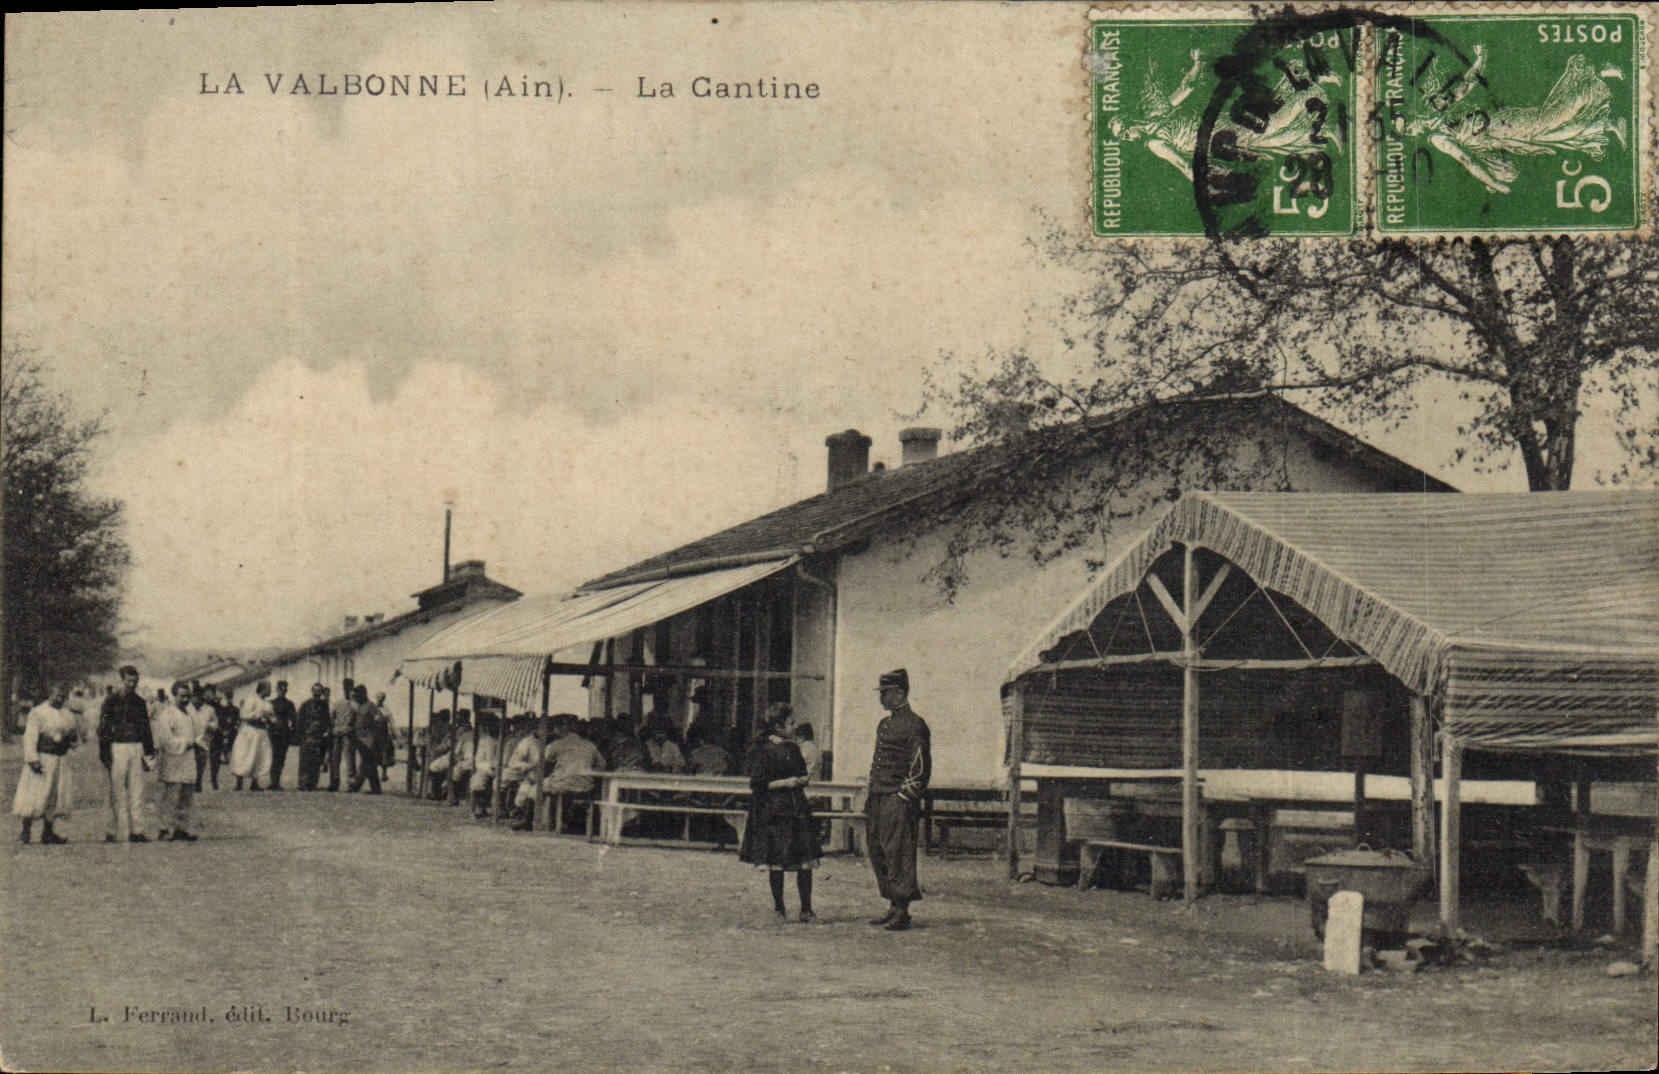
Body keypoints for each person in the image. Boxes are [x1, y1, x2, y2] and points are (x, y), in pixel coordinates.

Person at [739, 702, 822, 922]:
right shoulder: (763, 752)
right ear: (778, 726)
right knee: (776, 861)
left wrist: (801, 780)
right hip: (775, 811)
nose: (794, 727)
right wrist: (787, 782)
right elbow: (757, 785)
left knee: (805, 861)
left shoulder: (793, 749)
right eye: (791, 723)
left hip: (797, 810)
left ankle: (806, 908)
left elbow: (802, 773)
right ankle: (779, 908)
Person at [865, 668, 931, 932]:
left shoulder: (915, 724)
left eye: (886, 693)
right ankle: (893, 904)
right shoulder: (885, 723)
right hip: (878, 796)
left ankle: (903, 910)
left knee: (898, 852)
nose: (882, 698)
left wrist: (905, 795)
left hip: (896, 798)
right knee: (878, 848)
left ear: (901, 693)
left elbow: (920, 765)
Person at [13, 684, 81, 845]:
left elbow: (74, 742)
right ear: (50, 694)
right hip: (43, 758)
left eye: (62, 697)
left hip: (59, 759)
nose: (59, 699)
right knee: (34, 794)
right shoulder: (38, 712)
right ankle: (25, 831)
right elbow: (30, 737)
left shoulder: (68, 715)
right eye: (56, 696)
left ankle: (48, 832)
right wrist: (32, 759)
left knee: (54, 794)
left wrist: (71, 738)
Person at [99, 664, 156, 843]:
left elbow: (146, 728)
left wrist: (149, 751)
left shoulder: (139, 702)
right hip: (117, 747)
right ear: (122, 680)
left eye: (135, 681)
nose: (132, 684)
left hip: (136, 747)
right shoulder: (111, 701)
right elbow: (103, 728)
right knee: (115, 791)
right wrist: (105, 753)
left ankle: (137, 831)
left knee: (137, 790)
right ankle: (111, 831)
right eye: (129, 681)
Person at [540, 715, 606, 833]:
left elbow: (542, 762)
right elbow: (602, 765)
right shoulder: (589, 745)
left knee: (539, 786)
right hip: (585, 784)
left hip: (561, 784)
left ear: (558, 729)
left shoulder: (556, 744)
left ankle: (547, 822)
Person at [153, 681, 201, 841]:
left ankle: (181, 828)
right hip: (173, 759)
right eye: (182, 696)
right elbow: (166, 740)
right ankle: (165, 828)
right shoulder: (167, 714)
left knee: (186, 796)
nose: (185, 700)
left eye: (188, 696)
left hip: (187, 760)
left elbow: (197, 733)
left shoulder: (190, 714)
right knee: (171, 796)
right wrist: (187, 743)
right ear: (174, 696)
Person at [229, 681, 275, 791]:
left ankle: (255, 782)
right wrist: (258, 715)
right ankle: (239, 782)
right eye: (269, 688)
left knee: (260, 756)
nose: (270, 691)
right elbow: (243, 715)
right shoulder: (251, 700)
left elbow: (272, 718)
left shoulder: (268, 704)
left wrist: (271, 720)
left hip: (262, 732)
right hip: (250, 731)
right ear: (263, 689)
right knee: (244, 754)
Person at [346, 685, 383, 794]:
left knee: (366, 763)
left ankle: (356, 786)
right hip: (359, 739)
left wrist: (375, 738)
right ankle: (375, 789)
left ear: (363, 694)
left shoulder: (371, 706)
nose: (355, 697)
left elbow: (379, 721)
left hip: (369, 739)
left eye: (357, 695)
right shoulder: (359, 706)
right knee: (369, 764)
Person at [295, 684, 331, 791]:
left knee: (316, 761)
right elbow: (299, 720)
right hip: (307, 736)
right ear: (312, 691)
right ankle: (303, 783)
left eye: (319, 691)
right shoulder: (306, 704)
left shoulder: (324, 705)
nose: (317, 693)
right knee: (305, 760)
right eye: (315, 690)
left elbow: (327, 719)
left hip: (319, 736)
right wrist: (302, 734)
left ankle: (312, 783)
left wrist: (326, 731)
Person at [328, 677, 357, 791]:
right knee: (335, 759)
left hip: (349, 735)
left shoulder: (355, 705)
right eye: (345, 688)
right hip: (337, 734)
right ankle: (334, 782)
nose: (347, 690)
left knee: (350, 759)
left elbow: (357, 721)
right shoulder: (337, 703)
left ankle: (351, 783)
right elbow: (332, 717)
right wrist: (334, 729)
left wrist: (349, 729)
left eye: (349, 688)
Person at [187, 685, 218, 793]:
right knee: (190, 762)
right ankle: (189, 783)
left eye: (200, 697)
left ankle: (198, 782)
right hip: (189, 739)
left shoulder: (209, 709)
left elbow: (215, 722)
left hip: (202, 740)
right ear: (192, 697)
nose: (198, 700)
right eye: (195, 697)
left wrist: (211, 727)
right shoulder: (187, 708)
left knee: (201, 762)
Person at [267, 680, 296, 791]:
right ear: (277, 690)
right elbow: (267, 717)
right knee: (273, 757)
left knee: (281, 758)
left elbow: (293, 719)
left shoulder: (289, 704)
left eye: (285, 689)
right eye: (281, 689)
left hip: (284, 734)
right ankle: (272, 782)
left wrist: (291, 731)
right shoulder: (271, 703)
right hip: (273, 733)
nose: (283, 691)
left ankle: (277, 781)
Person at [212, 686, 240, 790]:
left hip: (232, 733)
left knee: (235, 756)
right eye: (228, 697)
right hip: (222, 733)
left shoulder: (236, 709)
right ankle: (215, 780)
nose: (229, 699)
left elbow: (237, 722)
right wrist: (223, 730)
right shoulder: (221, 709)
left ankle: (237, 782)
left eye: (230, 697)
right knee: (217, 756)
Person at [373, 691, 395, 781]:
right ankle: (373, 775)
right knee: (373, 754)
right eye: (378, 697)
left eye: (381, 698)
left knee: (385, 754)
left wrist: (395, 735)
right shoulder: (372, 709)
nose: (379, 700)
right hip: (374, 734)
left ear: (383, 699)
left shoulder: (387, 711)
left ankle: (384, 774)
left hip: (384, 734)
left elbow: (392, 723)